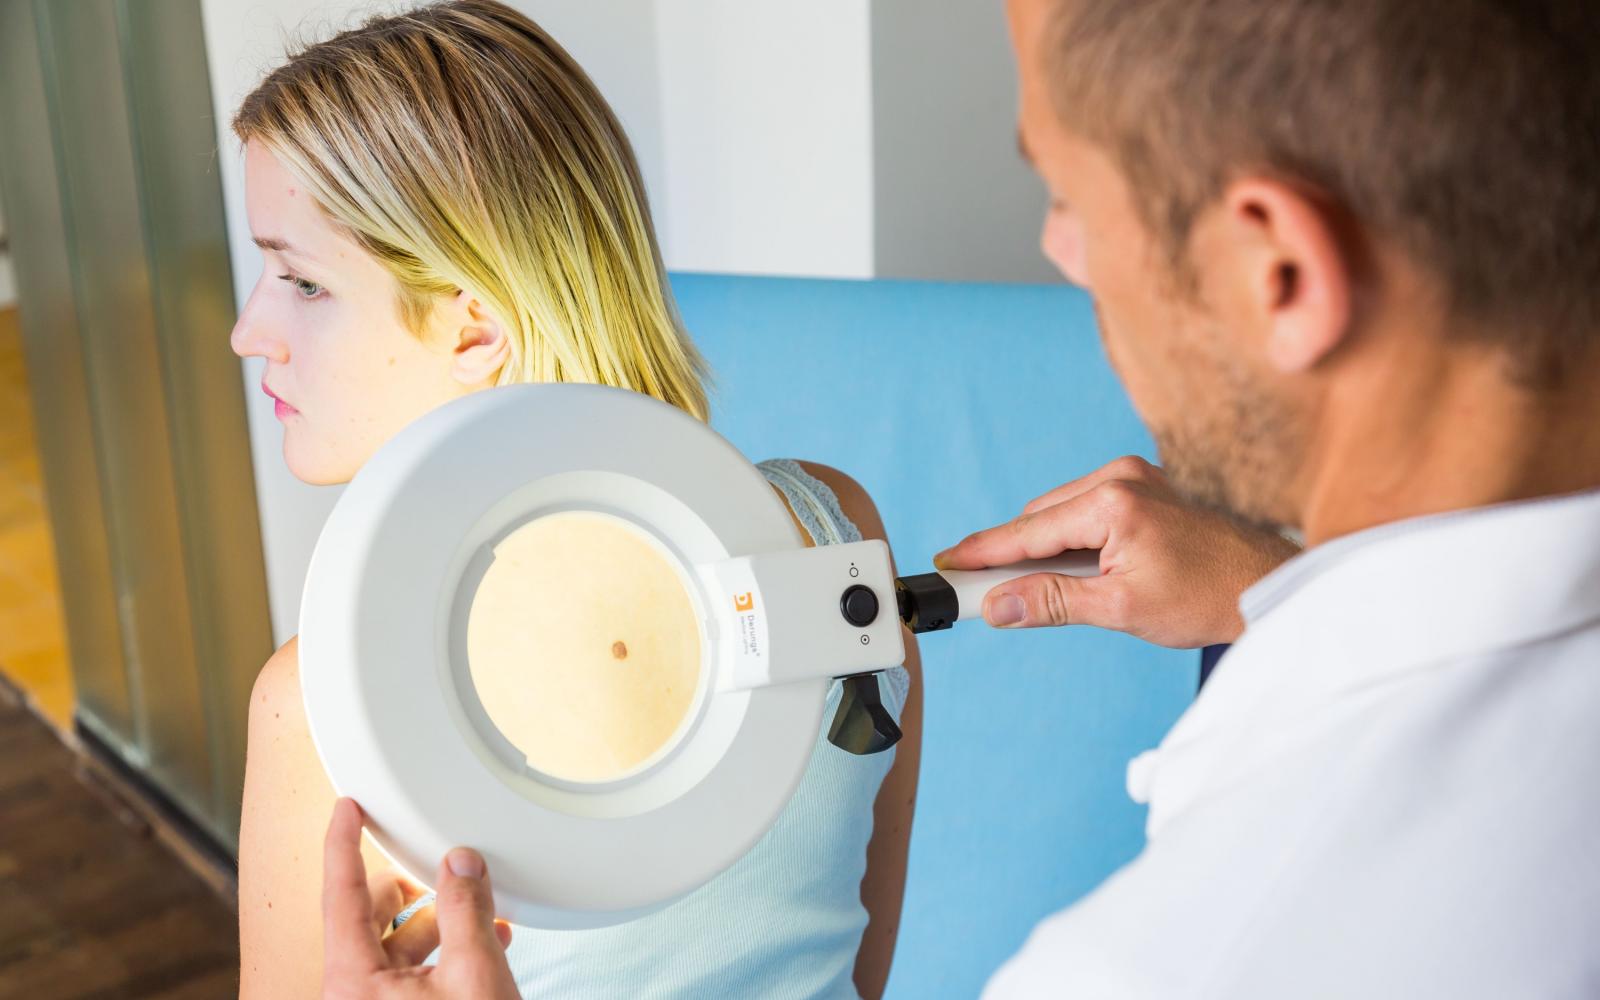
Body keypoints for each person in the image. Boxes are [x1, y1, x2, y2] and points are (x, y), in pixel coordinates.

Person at [323, 0, 1600, 995]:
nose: (1057, 250)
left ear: (1278, 272)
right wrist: (1273, 596)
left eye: (1068, 197)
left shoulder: (1156, 969)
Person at [228, 3, 922, 997]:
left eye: (301, 282)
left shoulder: (323, 705)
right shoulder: (830, 532)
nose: (250, 332)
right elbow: (858, 972)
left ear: (475, 329)